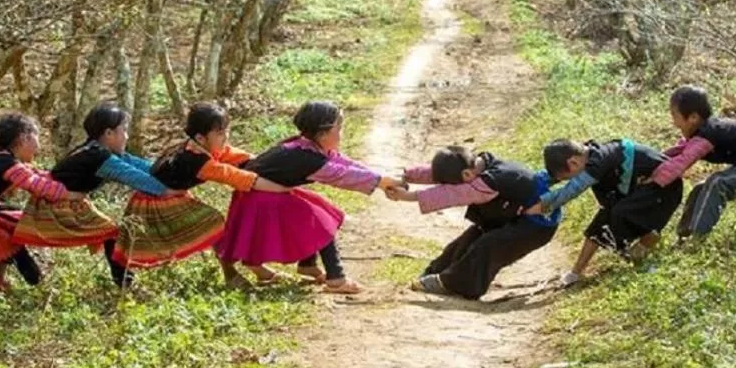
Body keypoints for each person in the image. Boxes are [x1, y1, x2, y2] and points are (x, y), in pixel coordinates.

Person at [213, 101, 399, 295]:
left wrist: (382, 179)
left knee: (318, 209)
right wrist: (381, 182)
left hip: (263, 193)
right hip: (260, 198)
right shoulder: (307, 158)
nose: (341, 133)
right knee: (320, 220)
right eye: (339, 128)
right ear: (323, 133)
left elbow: (344, 163)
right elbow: (343, 175)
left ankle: (308, 265)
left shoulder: (305, 145)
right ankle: (336, 279)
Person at [110, 102, 290, 283]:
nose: (226, 137)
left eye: (226, 130)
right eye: (220, 133)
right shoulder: (197, 160)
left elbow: (234, 155)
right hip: (158, 201)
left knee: (214, 225)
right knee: (213, 223)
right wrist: (281, 187)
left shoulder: (199, 146)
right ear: (201, 137)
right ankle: (237, 273)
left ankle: (239, 272)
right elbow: (234, 177)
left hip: (171, 195)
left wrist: (263, 162)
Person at [12, 102, 172, 288]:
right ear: (108, 134)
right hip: (56, 205)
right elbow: (138, 179)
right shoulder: (99, 158)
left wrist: (173, 171)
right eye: (124, 130)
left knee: (112, 234)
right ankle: (125, 284)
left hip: (69, 202)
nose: (126, 136)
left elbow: (146, 167)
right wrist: (169, 190)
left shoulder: (99, 150)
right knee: (113, 234)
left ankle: (124, 282)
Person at [388, 146, 559, 300]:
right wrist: (405, 175)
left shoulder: (489, 182)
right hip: (511, 216)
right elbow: (440, 174)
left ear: (467, 175)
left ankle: (453, 284)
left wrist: (407, 196)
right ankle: (435, 273)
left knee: (488, 245)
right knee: (467, 240)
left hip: (536, 226)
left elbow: (451, 194)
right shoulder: (476, 164)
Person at [528, 137, 678, 285]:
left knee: (619, 213)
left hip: (662, 190)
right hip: (637, 191)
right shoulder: (586, 155)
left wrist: (542, 206)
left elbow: (571, 190)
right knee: (602, 222)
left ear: (573, 163)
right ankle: (576, 272)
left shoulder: (598, 163)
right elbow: (555, 176)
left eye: (567, 177)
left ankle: (648, 238)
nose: (569, 180)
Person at [0, 113, 75, 291]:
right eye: (37, 138)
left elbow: (38, 175)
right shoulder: (7, 163)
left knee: (12, 222)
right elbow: (36, 185)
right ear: (23, 137)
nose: (38, 146)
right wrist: (70, 194)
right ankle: (31, 279)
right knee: (13, 227)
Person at [657, 86, 736, 239]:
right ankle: (684, 236)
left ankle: (697, 239)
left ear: (693, 118)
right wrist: (652, 162)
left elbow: (682, 163)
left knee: (717, 183)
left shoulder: (708, 135)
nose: (674, 122)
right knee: (700, 189)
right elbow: (679, 151)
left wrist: (655, 179)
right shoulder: (701, 132)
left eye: (675, 115)